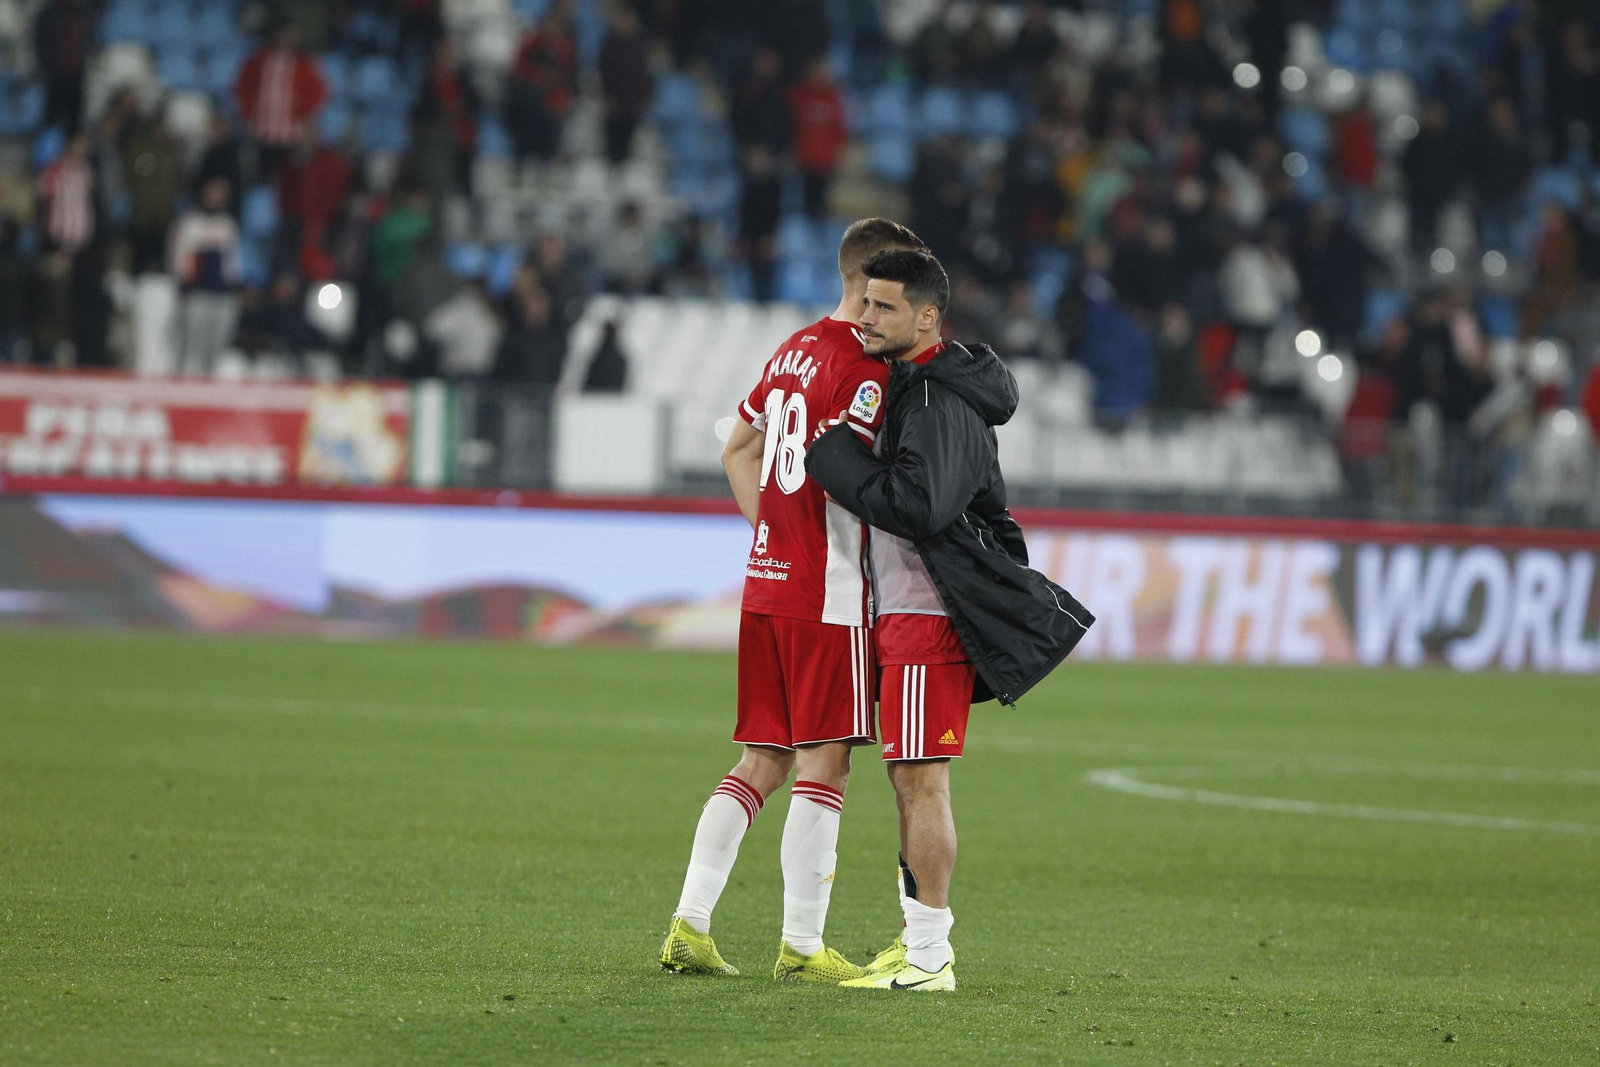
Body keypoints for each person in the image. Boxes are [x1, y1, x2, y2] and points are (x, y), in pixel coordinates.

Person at [805, 248, 1094, 992]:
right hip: (903, 610)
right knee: (908, 777)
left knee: (922, 780)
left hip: (928, 612)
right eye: (864, 303)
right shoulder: (920, 388)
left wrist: (835, 459)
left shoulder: (936, 401)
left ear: (927, 317)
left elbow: (921, 506)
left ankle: (931, 955)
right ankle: (916, 942)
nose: (864, 317)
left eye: (883, 307)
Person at [659, 218, 927, 981]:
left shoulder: (791, 349)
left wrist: (773, 529)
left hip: (766, 582)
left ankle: (690, 921)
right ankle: (803, 947)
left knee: (760, 757)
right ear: (874, 285)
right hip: (827, 590)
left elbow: (736, 450)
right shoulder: (865, 368)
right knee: (825, 764)